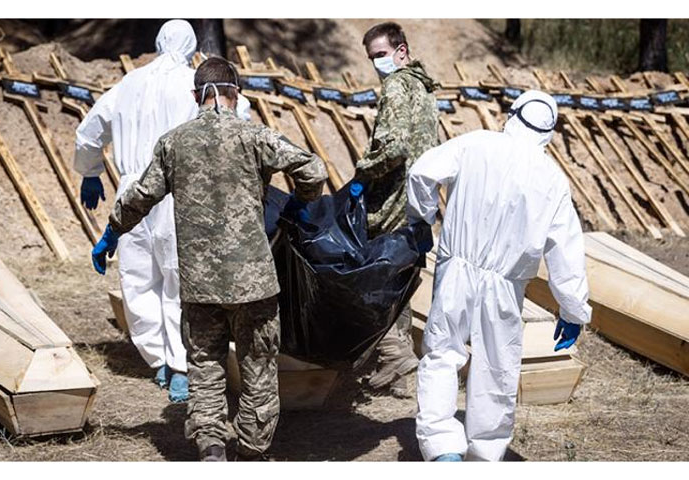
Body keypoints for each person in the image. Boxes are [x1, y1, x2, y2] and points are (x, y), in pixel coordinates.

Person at [91, 56, 328, 461]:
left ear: (195, 95)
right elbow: (313, 169)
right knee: (257, 367)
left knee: (204, 367)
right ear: (235, 93)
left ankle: (211, 448)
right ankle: (252, 453)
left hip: (200, 284)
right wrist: (301, 208)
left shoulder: (174, 143)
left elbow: (140, 197)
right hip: (253, 282)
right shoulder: (256, 137)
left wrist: (112, 232)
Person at [406, 90, 592, 461]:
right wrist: (573, 311)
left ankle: (442, 449)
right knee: (496, 366)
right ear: (549, 133)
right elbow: (566, 251)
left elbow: (421, 172)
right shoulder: (552, 179)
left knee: (443, 354)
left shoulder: (476, 143)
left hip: (456, 267)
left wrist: (421, 219)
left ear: (513, 115)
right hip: (507, 285)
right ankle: (484, 456)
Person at [75, 20, 201, 403]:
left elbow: (90, 129)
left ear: (158, 42)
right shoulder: (196, 83)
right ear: (192, 45)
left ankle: (157, 360)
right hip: (178, 190)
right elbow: (234, 118)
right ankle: (181, 367)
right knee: (178, 276)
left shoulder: (129, 82)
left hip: (131, 190)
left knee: (138, 276)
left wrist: (91, 172)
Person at [350, 22, 440, 398]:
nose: (377, 64)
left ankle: (393, 352)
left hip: (391, 200)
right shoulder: (424, 87)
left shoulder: (399, 86)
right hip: (419, 199)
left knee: (372, 279)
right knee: (400, 278)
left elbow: (394, 148)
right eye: (373, 59)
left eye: (382, 55)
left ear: (401, 51)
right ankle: (399, 370)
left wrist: (361, 172)